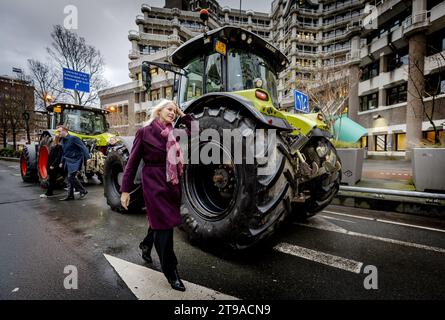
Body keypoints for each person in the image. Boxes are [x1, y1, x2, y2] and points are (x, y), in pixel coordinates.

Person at [120, 99, 193, 292]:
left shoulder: (175, 133)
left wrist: (183, 114)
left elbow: (195, 131)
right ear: (159, 111)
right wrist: (125, 190)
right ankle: (171, 272)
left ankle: (146, 245)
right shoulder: (144, 132)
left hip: (172, 183)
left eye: (174, 111)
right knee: (165, 227)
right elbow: (132, 163)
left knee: (161, 222)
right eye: (169, 109)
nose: (172, 113)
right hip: (153, 183)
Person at [56, 125, 90, 201]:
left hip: (76, 160)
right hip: (68, 160)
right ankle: (70, 195)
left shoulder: (73, 138)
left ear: (65, 131)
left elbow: (83, 147)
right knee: (69, 178)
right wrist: (61, 161)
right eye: (58, 131)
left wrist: (88, 158)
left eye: (59, 131)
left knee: (71, 177)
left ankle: (83, 191)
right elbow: (64, 152)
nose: (58, 133)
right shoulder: (63, 140)